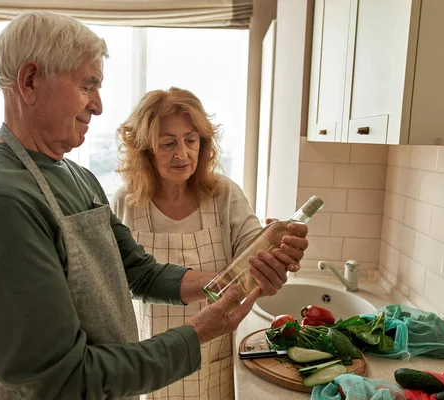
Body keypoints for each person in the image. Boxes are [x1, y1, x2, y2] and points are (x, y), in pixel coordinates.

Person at [0, 11, 308, 400]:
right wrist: (197, 332)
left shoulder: (76, 177)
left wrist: (231, 281)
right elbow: (58, 382)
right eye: (87, 85)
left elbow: (139, 272)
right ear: (30, 81)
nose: (97, 106)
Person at [112, 87, 308, 400]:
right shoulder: (127, 202)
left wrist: (274, 256)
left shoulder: (224, 194)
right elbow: (122, 278)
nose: (182, 153)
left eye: (191, 140)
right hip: (154, 355)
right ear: (145, 148)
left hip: (214, 355)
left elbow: (253, 255)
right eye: (168, 143)